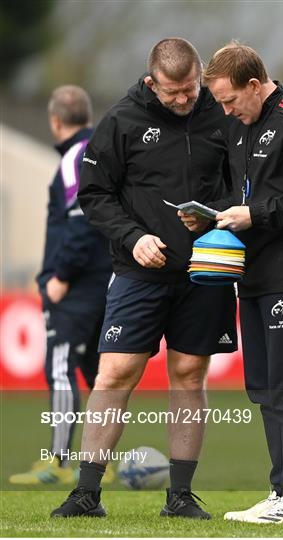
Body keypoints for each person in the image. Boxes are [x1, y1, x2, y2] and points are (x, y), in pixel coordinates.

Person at [51, 38, 237, 519]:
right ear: (152, 82)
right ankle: (86, 493)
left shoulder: (221, 111)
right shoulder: (121, 120)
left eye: (191, 89)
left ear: (200, 76)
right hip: (138, 271)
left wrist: (217, 215)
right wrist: (133, 237)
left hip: (206, 271)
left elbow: (243, 183)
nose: (183, 99)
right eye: (173, 92)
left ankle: (179, 497)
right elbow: (95, 195)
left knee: (189, 375)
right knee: (115, 372)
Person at [180, 42, 283, 524]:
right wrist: (213, 219)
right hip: (254, 274)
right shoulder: (239, 125)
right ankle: (281, 493)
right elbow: (242, 195)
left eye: (231, 100)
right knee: (263, 385)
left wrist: (253, 215)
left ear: (255, 85)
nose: (227, 110)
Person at [10, 86, 112, 485]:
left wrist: (60, 277)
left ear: (55, 121)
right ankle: (96, 464)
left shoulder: (75, 158)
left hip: (77, 287)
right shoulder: (102, 151)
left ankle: (59, 462)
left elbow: (81, 220)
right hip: (106, 281)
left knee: (60, 368)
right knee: (100, 374)